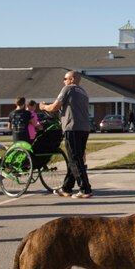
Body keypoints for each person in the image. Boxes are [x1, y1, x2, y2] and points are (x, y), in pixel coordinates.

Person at [40, 70, 93, 199]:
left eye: (65, 78)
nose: (63, 81)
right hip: (84, 128)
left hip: (72, 128)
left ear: (72, 79)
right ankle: (66, 188)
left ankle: (85, 189)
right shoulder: (83, 92)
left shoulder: (68, 89)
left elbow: (55, 107)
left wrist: (43, 107)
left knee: (75, 158)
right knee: (74, 159)